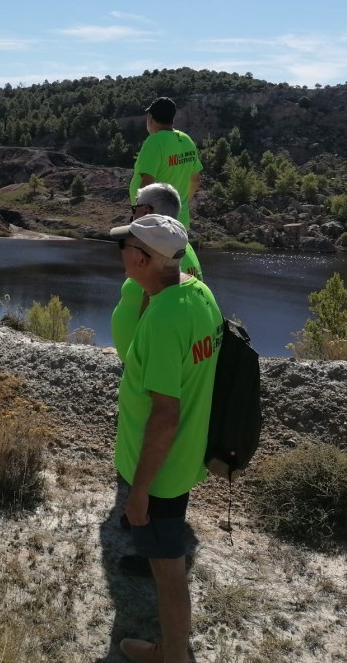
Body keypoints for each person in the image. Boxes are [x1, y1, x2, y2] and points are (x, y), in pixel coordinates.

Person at [109, 214, 223, 663]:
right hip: (184, 460)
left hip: (159, 473)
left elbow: (164, 417)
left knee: (168, 570)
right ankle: (172, 646)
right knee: (169, 565)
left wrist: (139, 493)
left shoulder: (161, 321)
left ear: (140, 259)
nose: (121, 253)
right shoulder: (199, 295)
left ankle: (172, 656)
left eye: (126, 247)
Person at [110, 183, 202, 362]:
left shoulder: (156, 256)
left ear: (145, 211)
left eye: (134, 208)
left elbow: (152, 323)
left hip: (146, 373)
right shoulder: (182, 248)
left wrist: (142, 365)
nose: (132, 215)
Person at [130, 97, 203, 229]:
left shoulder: (154, 142)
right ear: (172, 118)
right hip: (180, 221)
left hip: (156, 224)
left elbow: (147, 183)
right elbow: (196, 180)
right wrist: (182, 204)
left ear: (150, 118)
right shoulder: (187, 140)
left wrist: (138, 219)